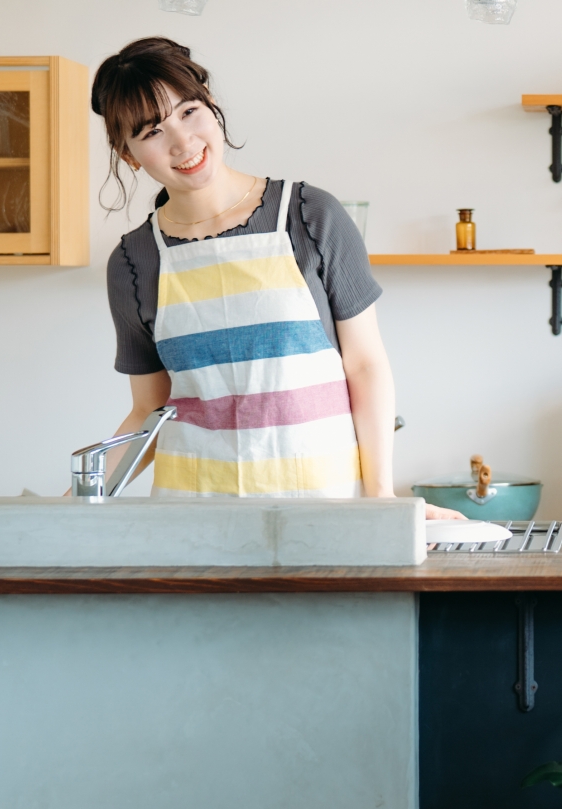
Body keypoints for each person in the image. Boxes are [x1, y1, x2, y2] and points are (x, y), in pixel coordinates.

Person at [93, 36, 456, 514]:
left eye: (188, 112)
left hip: (322, 505)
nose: (183, 142)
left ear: (211, 104)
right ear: (129, 155)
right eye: (152, 132)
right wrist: (76, 498)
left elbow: (365, 366)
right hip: (191, 514)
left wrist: (381, 496)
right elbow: (149, 409)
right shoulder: (134, 262)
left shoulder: (309, 216)